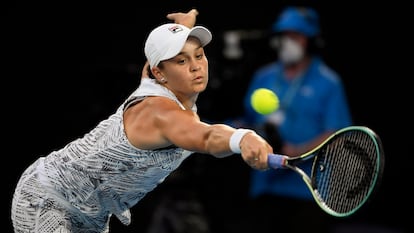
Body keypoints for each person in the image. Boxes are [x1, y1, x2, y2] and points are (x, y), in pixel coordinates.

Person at [11, 9, 274, 233]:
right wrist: (242, 137)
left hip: (90, 213)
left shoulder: (155, 76)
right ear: (159, 73)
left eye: (200, 54)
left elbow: (161, 57)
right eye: (182, 60)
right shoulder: (159, 111)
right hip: (48, 199)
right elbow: (205, 136)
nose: (197, 66)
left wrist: (181, 29)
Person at [235, 6, 353, 233]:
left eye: (295, 36)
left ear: (310, 41)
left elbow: (336, 133)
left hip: (308, 191)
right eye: (284, 36)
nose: (287, 42)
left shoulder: (329, 82)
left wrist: (297, 151)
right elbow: (248, 120)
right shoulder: (264, 76)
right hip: (266, 186)